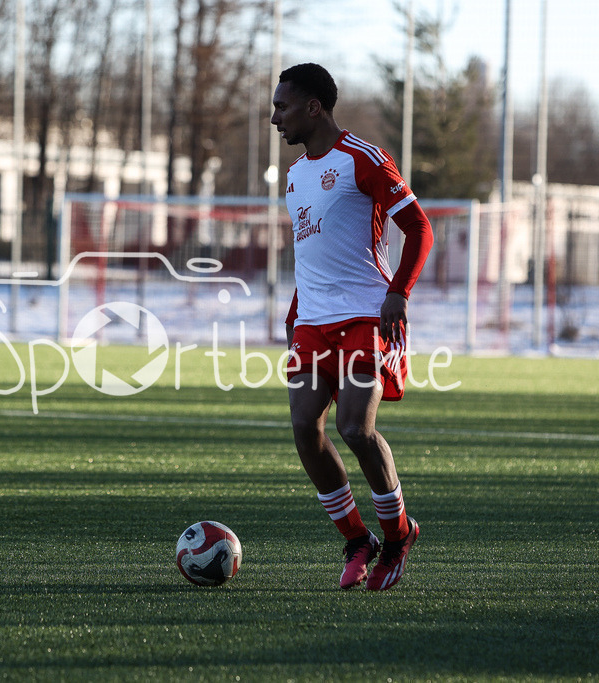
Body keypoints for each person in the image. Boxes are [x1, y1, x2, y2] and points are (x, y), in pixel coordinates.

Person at [271, 63, 433, 591]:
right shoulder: (295, 176)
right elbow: (313, 255)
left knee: (355, 429)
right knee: (304, 428)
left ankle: (398, 536)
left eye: (282, 107)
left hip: (366, 314)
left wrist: (398, 293)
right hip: (312, 322)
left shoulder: (363, 158)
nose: (275, 118)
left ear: (313, 107)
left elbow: (418, 228)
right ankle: (358, 540)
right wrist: (295, 315)